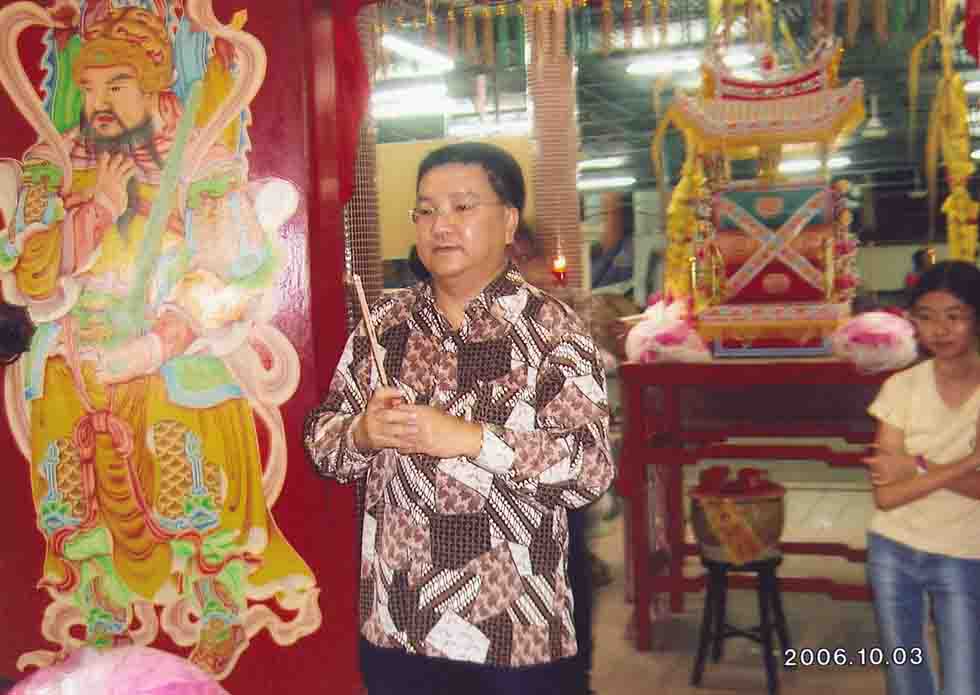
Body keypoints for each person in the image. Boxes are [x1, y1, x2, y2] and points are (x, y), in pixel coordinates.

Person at [0, 6, 318, 677]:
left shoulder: (202, 163)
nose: (99, 103)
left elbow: (233, 273)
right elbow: (29, 273)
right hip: (77, 350)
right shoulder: (53, 167)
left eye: (117, 86)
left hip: (172, 349)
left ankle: (219, 607)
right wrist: (98, 210)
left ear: (154, 86)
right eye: (89, 88)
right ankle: (102, 616)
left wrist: (155, 344)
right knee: (74, 487)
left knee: (192, 474)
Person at [304, 142, 614, 695]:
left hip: (512, 631)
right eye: (426, 210)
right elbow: (322, 444)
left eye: (463, 207)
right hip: (399, 623)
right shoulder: (384, 328)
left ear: (508, 222)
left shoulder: (552, 331)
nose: (440, 225)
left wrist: (472, 439)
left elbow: (590, 469)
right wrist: (361, 433)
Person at [863, 260, 980, 695]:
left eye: (955, 316)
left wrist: (915, 465)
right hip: (893, 549)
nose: (940, 330)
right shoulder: (901, 387)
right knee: (905, 681)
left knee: (965, 684)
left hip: (964, 553)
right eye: (926, 317)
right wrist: (967, 463)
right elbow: (887, 497)